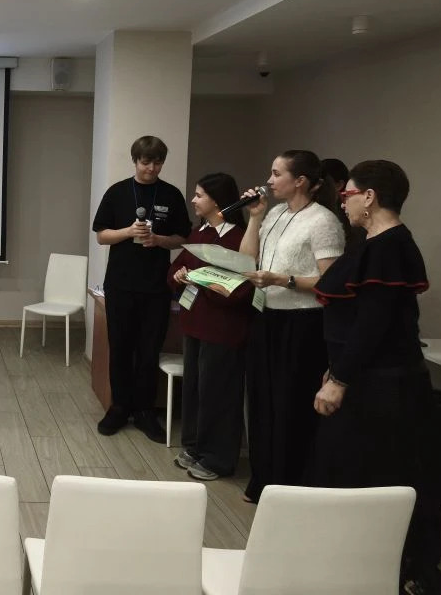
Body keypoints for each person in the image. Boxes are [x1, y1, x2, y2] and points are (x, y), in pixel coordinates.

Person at [310, 160, 441, 595]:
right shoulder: (374, 243)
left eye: (347, 195)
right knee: (354, 474)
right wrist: (337, 368)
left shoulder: (387, 247)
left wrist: (339, 380)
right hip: (369, 382)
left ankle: (395, 573)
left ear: (369, 197)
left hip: (384, 391)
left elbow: (374, 324)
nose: (343, 203)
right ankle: (357, 568)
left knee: (381, 479)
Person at [238, 149, 344, 502]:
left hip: (302, 322)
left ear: (299, 181)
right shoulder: (275, 213)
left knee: (290, 405)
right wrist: (255, 218)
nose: (268, 181)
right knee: (261, 401)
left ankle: (290, 486)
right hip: (266, 316)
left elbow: (331, 282)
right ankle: (263, 479)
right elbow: (246, 258)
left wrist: (282, 280)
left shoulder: (323, 220)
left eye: (276, 173)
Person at [92, 135, 191, 443]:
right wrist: (127, 231)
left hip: (156, 286)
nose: (151, 168)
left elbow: (182, 238)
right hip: (120, 284)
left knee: (149, 350)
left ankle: (145, 411)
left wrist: (158, 240)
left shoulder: (171, 194)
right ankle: (119, 407)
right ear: (135, 161)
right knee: (120, 347)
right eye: (146, 162)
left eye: (157, 163)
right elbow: (101, 236)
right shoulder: (117, 192)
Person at [168, 173, 254, 480]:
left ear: (217, 202)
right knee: (195, 389)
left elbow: (241, 287)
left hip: (223, 327)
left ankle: (218, 458)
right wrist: (180, 276)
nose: (193, 200)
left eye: (199, 195)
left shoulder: (238, 238)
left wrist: (203, 280)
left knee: (219, 393)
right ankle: (194, 446)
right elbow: (177, 267)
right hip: (194, 323)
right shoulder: (199, 232)